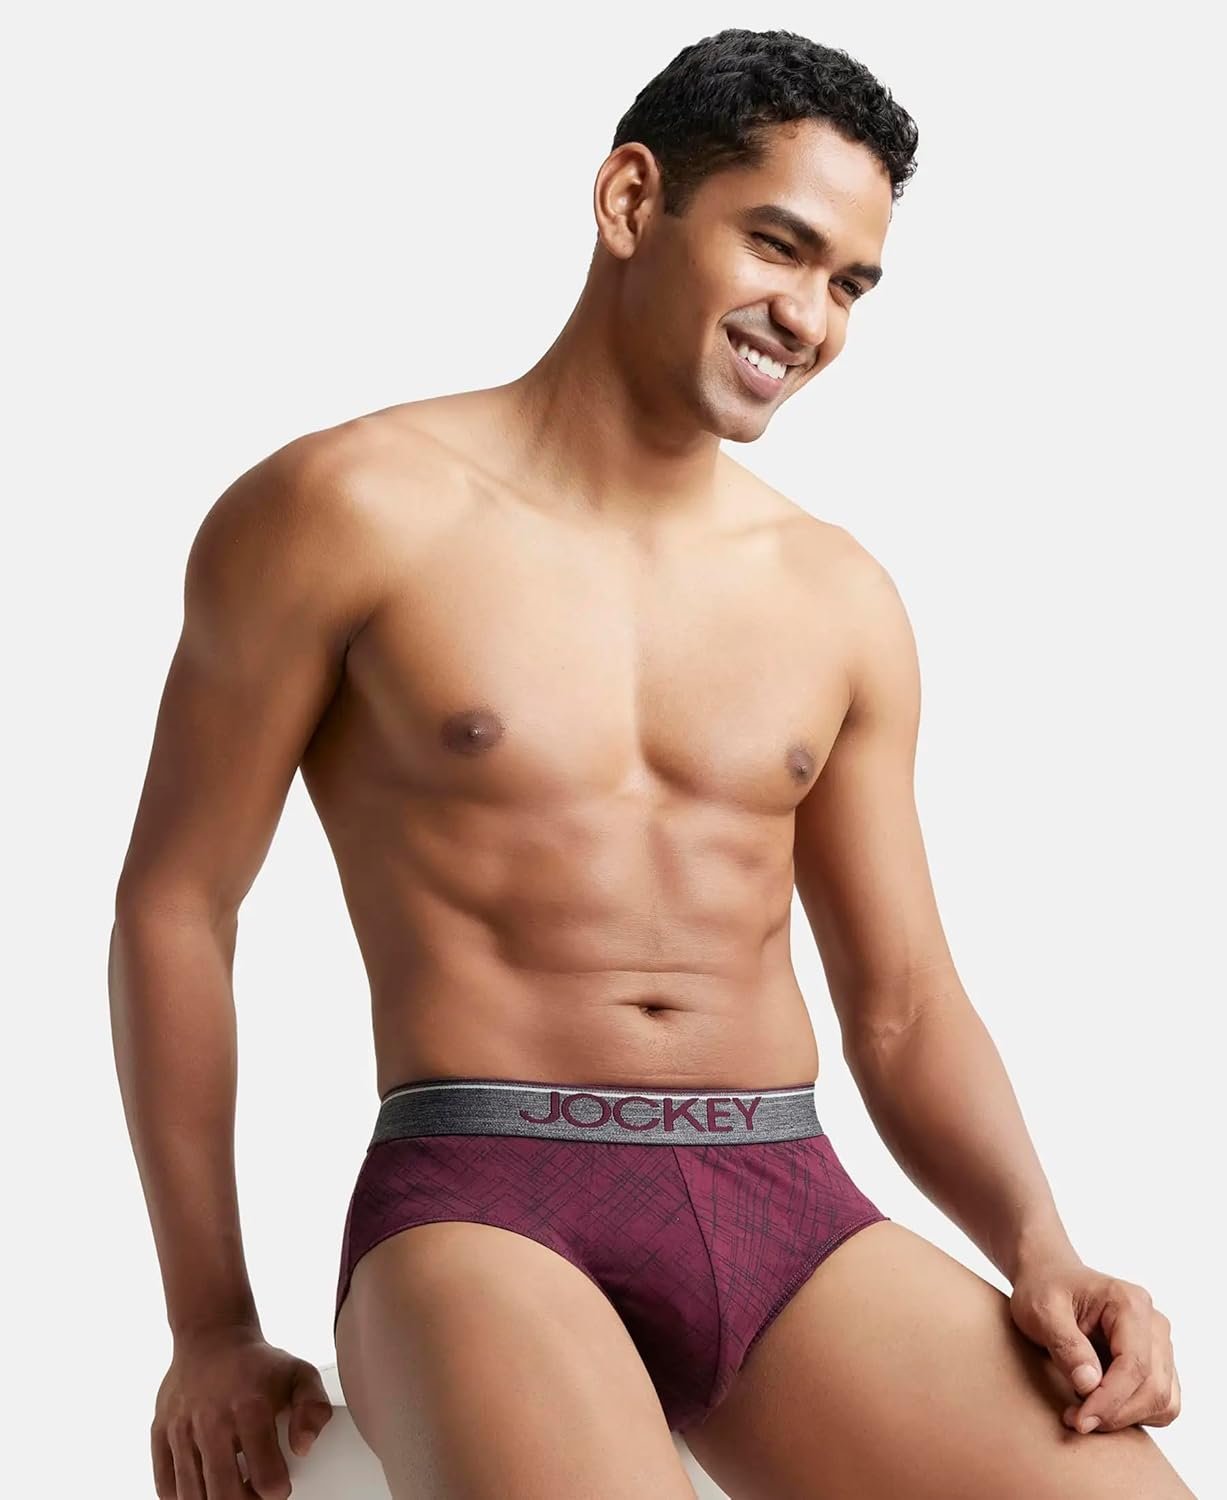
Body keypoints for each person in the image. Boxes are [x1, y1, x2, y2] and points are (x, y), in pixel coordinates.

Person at [109, 26, 1194, 1500]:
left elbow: (902, 1001)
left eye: (850, 284)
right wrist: (208, 1324)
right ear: (632, 201)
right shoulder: (349, 509)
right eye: (779, 246)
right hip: (483, 1202)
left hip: (784, 1206)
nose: (807, 317)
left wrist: (1042, 1244)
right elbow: (178, 907)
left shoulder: (837, 595)